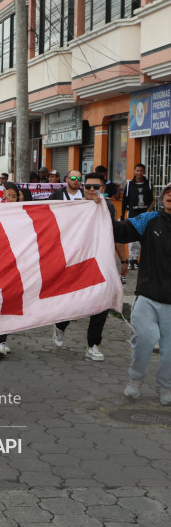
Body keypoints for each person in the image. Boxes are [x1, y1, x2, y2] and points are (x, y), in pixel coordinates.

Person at [51, 173, 125, 362]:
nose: (92, 190)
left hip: (102, 260)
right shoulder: (75, 207)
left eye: (96, 187)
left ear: (103, 189)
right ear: (83, 187)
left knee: (102, 302)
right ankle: (60, 325)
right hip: (78, 262)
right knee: (74, 301)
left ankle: (93, 345)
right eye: (88, 186)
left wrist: (124, 260)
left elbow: (114, 233)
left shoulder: (108, 207)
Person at [112, 184, 171, 405]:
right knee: (143, 340)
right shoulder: (149, 220)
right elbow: (121, 230)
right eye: (167, 192)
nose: (170, 195)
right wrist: (98, 211)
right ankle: (135, 381)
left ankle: (165, 387)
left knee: (169, 352)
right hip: (147, 296)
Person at [0, 182, 21, 358]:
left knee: (8, 300)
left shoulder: (22, 213)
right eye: (7, 196)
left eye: (14, 196)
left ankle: (0, 340)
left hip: (15, 264)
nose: (10, 199)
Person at [121, 163, 154, 270]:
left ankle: (143, 260)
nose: (139, 173)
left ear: (144, 172)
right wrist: (122, 215)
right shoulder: (129, 185)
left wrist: (148, 212)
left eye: (141, 171)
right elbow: (124, 200)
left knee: (144, 237)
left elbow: (153, 200)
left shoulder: (149, 184)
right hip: (133, 214)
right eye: (137, 171)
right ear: (134, 171)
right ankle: (132, 260)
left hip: (145, 214)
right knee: (133, 238)